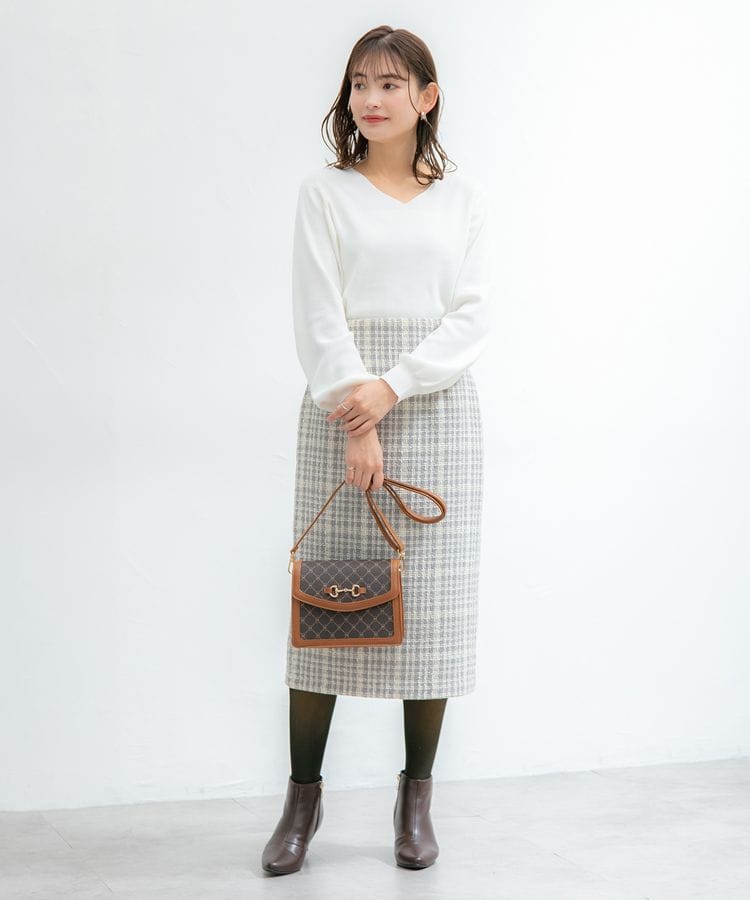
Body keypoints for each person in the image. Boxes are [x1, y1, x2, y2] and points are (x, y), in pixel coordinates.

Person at [262, 24, 494, 876]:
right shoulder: (324, 192)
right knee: (326, 605)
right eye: (360, 83)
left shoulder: (462, 199)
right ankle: (302, 800)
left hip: (434, 412)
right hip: (341, 407)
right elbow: (316, 312)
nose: (371, 98)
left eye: (391, 84)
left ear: (427, 98)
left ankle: (415, 799)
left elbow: (472, 316)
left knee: (429, 613)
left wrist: (392, 390)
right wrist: (359, 417)